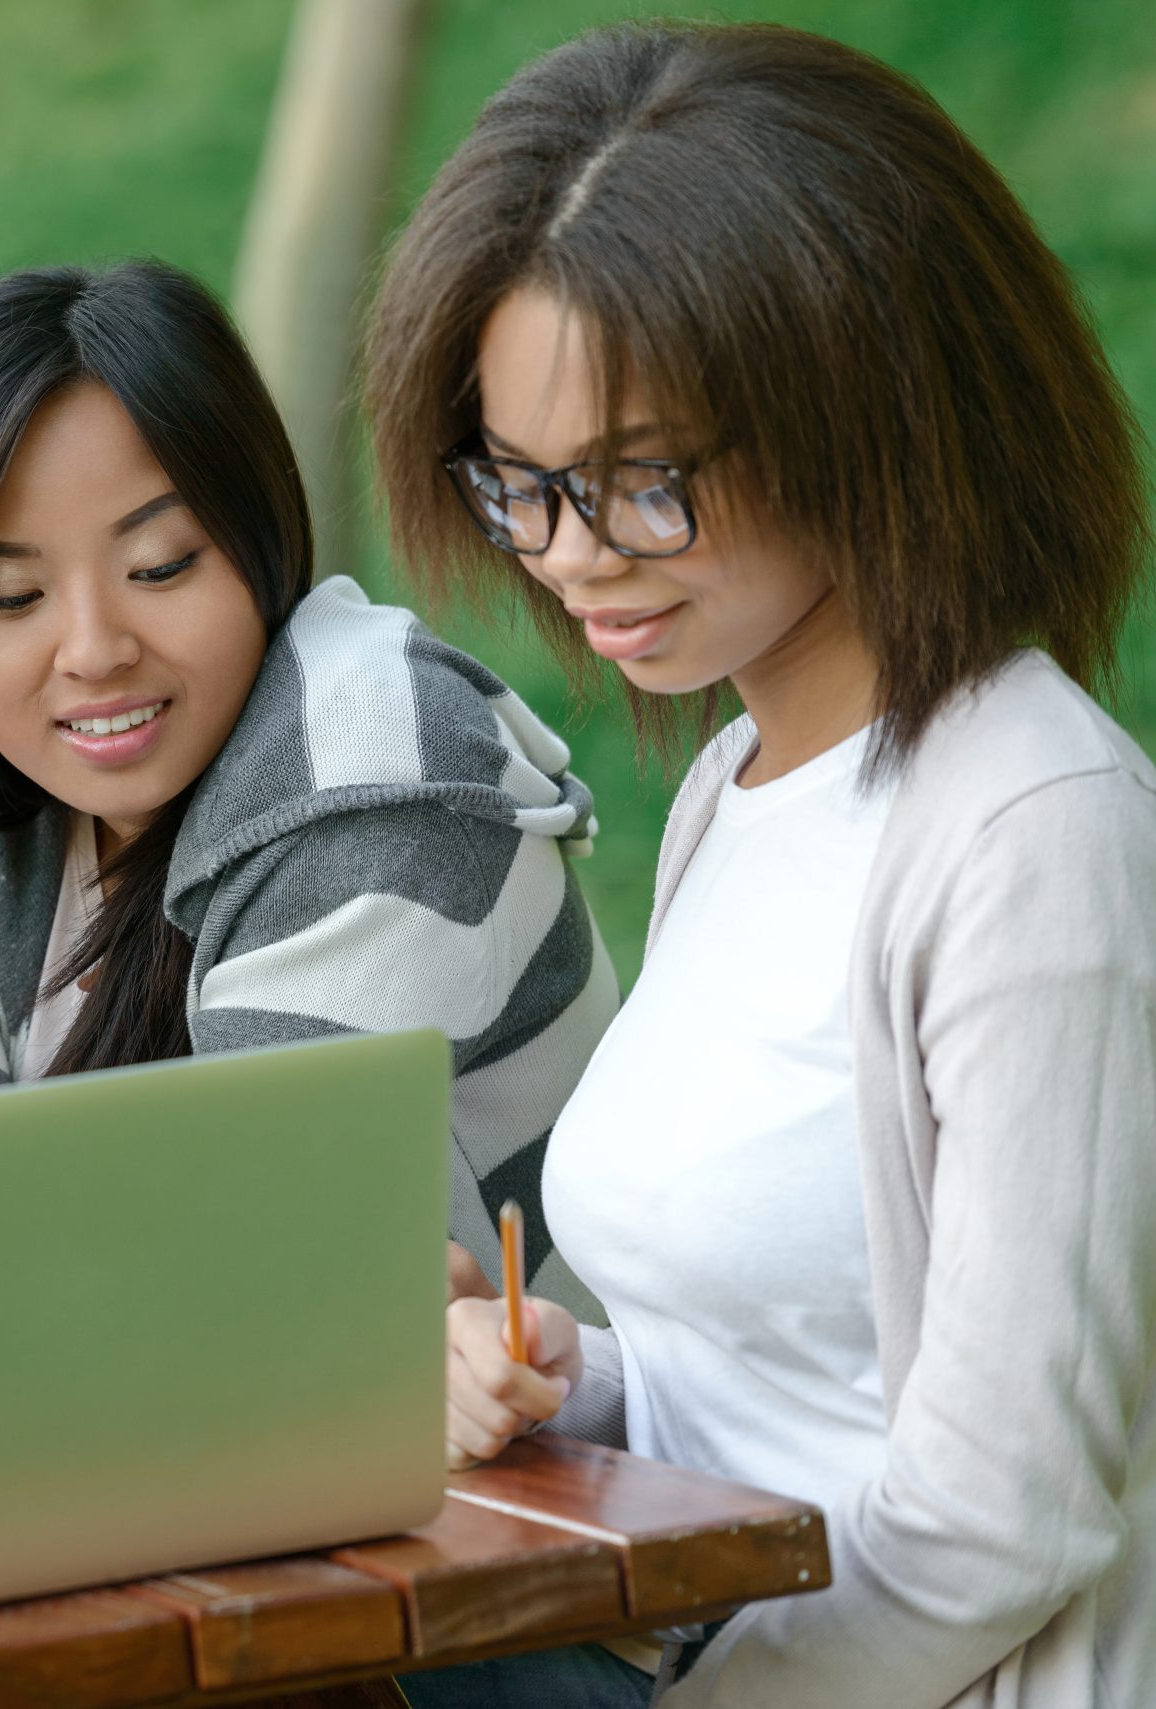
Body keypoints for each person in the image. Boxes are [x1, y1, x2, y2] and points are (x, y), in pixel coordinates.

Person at [365, 22, 1156, 1707]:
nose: (573, 559)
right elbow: (789, 1369)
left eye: (649, 483)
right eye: (524, 487)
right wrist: (569, 1374)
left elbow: (1002, 1519)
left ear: (871, 402)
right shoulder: (739, 780)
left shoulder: (1034, 829)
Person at [0, 259, 617, 1296]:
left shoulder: (368, 761)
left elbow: (248, 1288)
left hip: (543, 1449)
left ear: (257, 538)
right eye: (11, 596)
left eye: (158, 566)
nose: (94, 648)